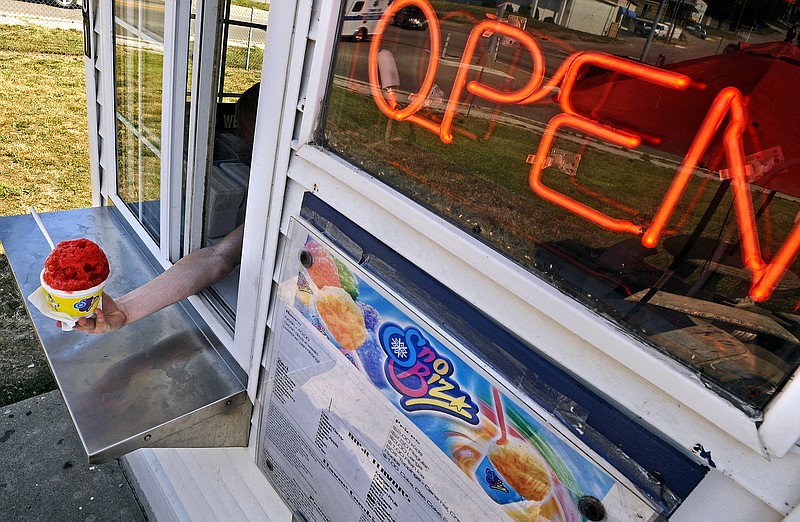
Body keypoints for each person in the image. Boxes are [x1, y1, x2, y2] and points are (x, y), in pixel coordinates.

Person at [61, 83, 260, 334]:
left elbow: (217, 259)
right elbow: (217, 258)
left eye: (251, 141)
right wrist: (123, 310)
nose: (248, 149)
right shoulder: (270, 204)